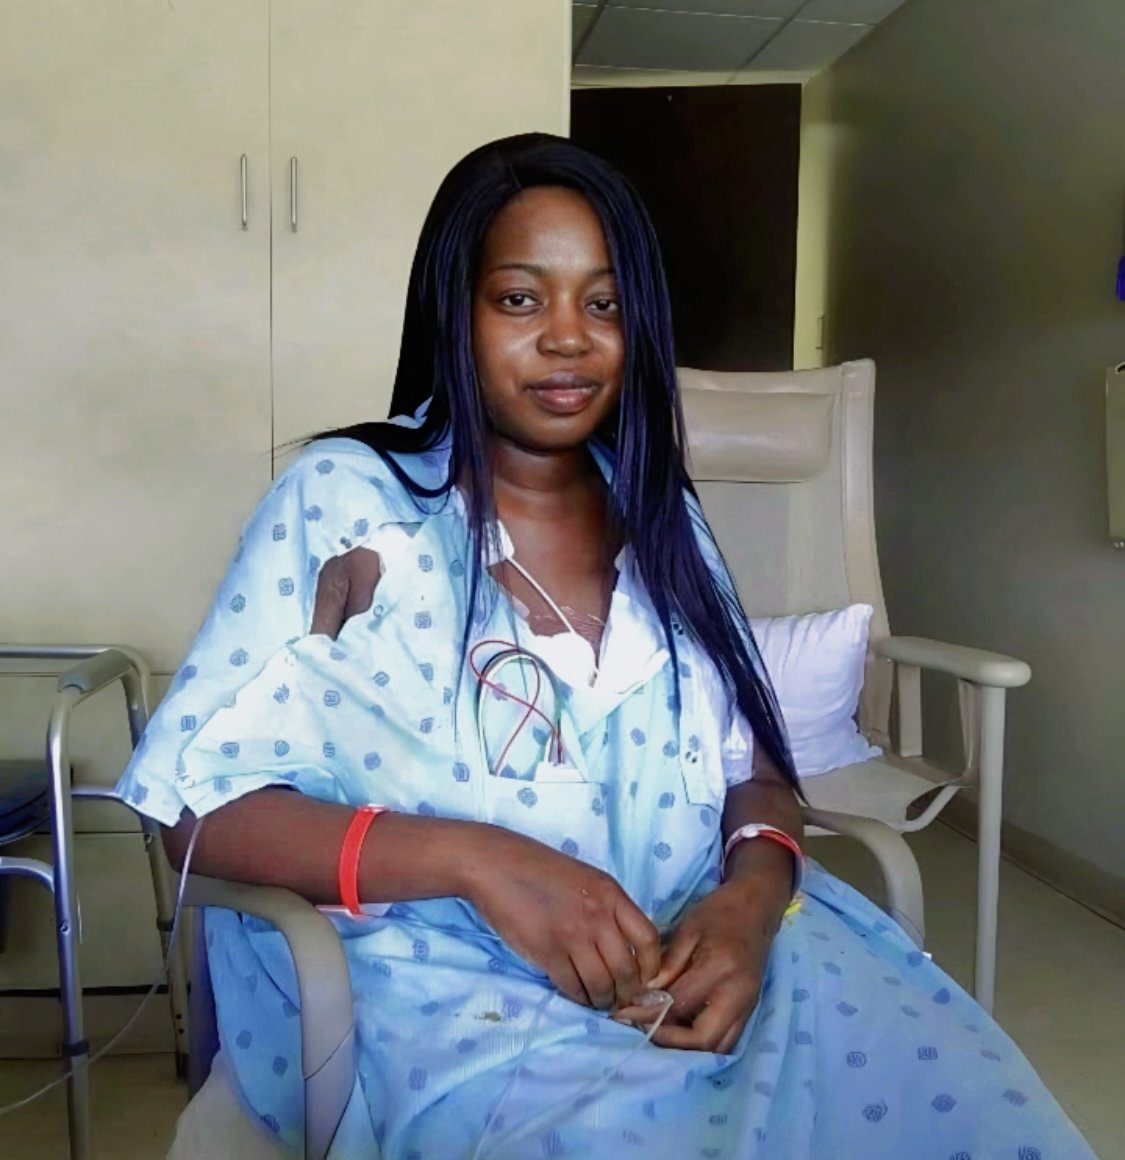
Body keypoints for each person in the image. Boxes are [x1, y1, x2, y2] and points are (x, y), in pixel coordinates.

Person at [118, 134, 1094, 1159]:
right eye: (520, 299)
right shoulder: (350, 504)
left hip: (696, 944)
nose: (570, 340)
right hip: (452, 987)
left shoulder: (659, 512)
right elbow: (198, 806)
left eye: (606, 302)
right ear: (453, 308)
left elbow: (753, 768)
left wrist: (753, 900)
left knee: (969, 1105)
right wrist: (479, 861)